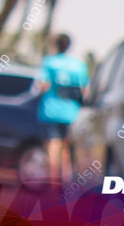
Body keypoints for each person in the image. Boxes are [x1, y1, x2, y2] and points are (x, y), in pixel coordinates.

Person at [37, 33, 89, 188]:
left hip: (51, 111)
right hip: (72, 112)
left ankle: (53, 184)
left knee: (53, 147)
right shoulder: (79, 65)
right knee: (66, 148)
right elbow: (85, 90)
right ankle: (65, 181)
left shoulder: (50, 62)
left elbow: (43, 85)